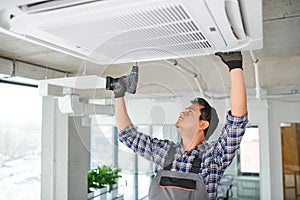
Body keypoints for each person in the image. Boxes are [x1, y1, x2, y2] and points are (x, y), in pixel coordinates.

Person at [113, 52, 248, 199]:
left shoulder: (213, 157)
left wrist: (235, 66)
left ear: (202, 124)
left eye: (189, 112)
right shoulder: (163, 152)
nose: (181, 114)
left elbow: (236, 122)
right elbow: (127, 135)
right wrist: (119, 94)